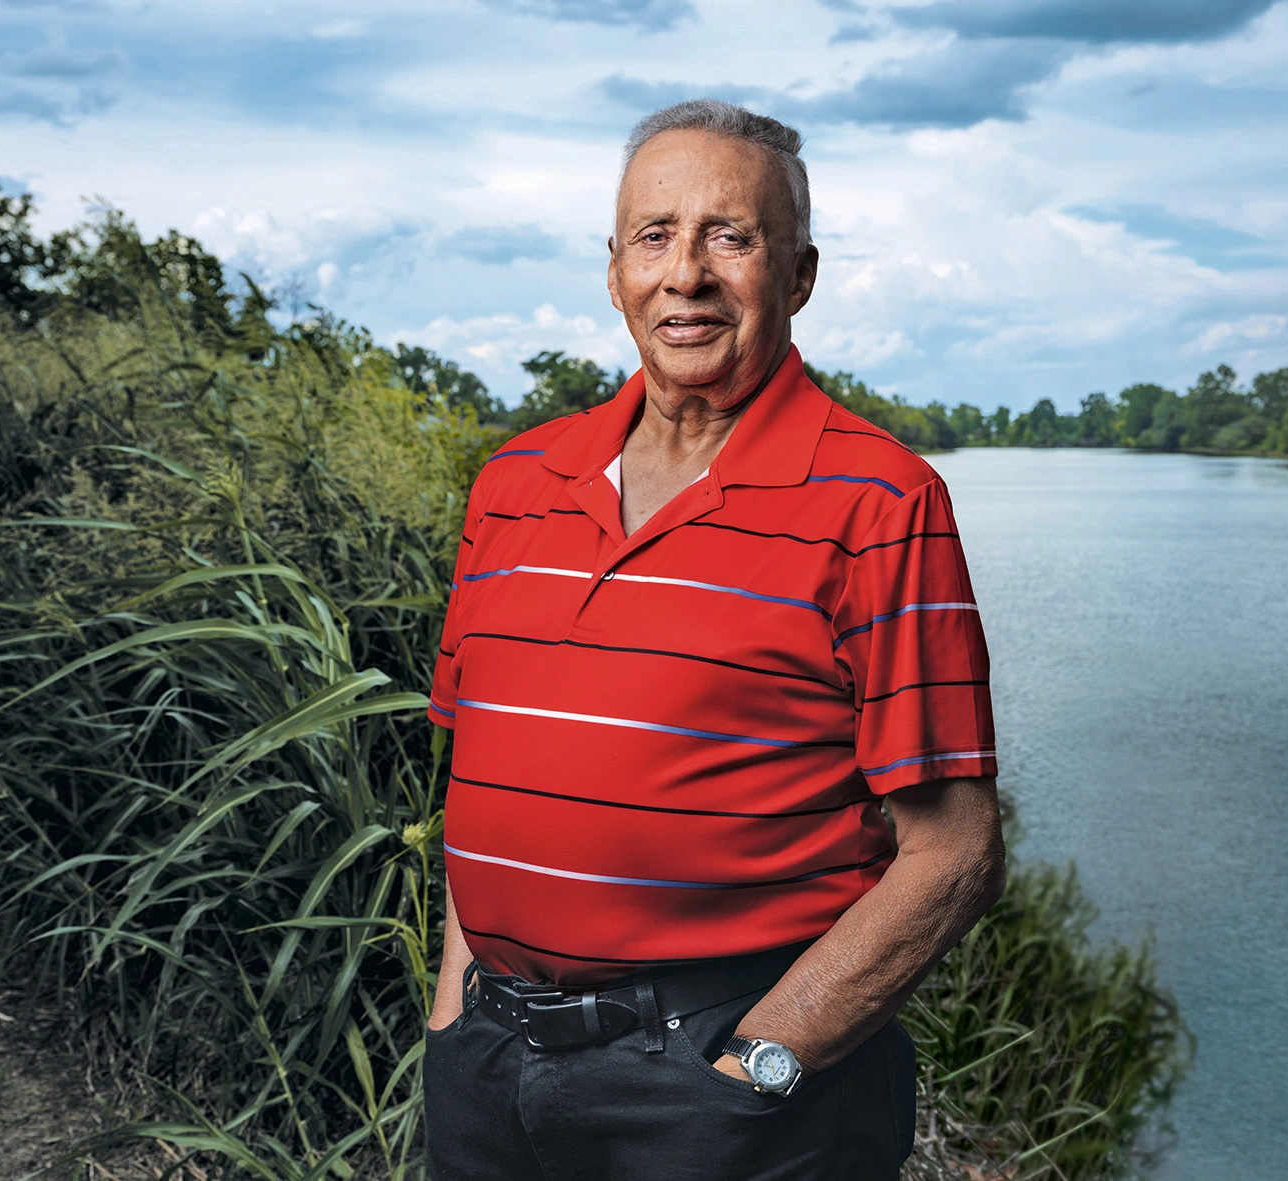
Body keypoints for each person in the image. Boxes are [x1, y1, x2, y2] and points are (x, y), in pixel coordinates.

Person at [423, 97, 1005, 1181]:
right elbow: (484, 778)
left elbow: (955, 852)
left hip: (719, 1088)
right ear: (614, 272)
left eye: (729, 237)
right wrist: (453, 1018)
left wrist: (759, 1067)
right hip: (489, 1070)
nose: (685, 274)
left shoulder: (879, 501)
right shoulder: (513, 484)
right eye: (654, 236)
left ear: (798, 275)